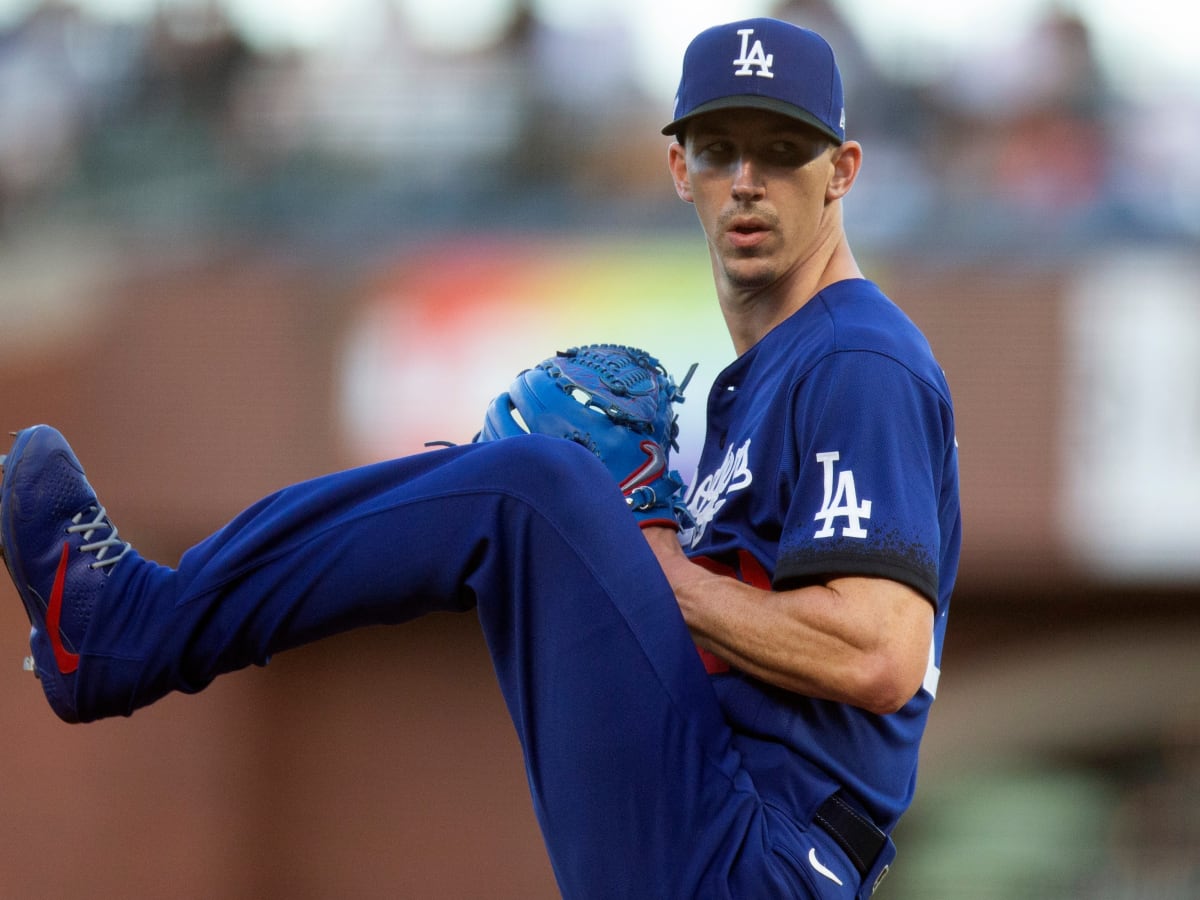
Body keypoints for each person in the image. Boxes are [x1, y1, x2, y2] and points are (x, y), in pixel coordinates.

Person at [0, 18, 959, 900]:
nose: (748, 176)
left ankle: (130, 627)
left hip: (764, 854)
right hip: (720, 827)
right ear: (678, 167)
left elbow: (879, 650)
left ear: (842, 171)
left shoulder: (855, 357)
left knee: (536, 488)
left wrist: (653, 568)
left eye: (785, 149)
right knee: (541, 502)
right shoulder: (772, 373)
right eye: (720, 148)